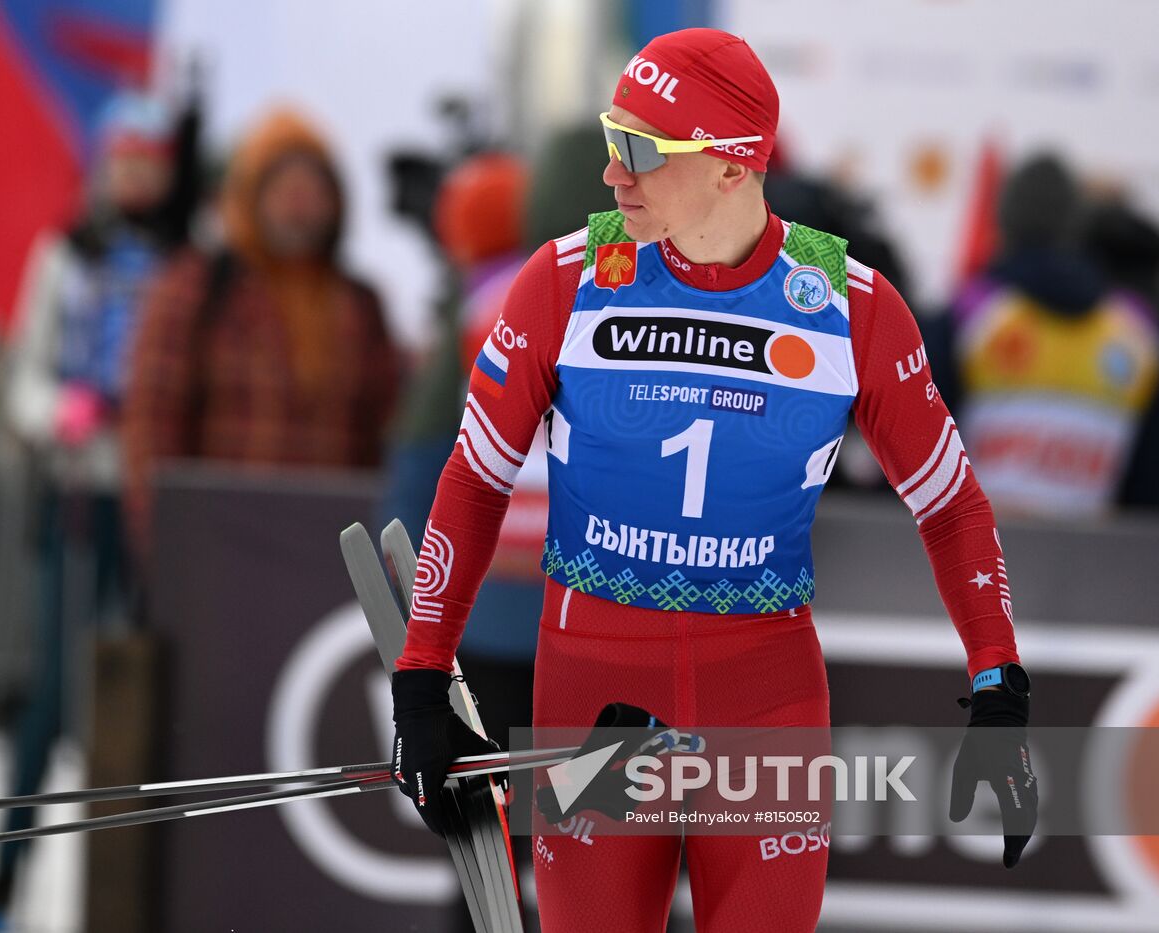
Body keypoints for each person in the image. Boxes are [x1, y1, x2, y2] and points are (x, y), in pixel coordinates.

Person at [386, 28, 1033, 932]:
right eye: (613, 139)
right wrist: (421, 676)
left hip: (763, 702)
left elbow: (950, 501)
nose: (614, 174)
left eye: (642, 150)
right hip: (594, 700)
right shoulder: (570, 278)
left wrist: (1001, 682)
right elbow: (474, 476)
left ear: (734, 167)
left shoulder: (848, 303)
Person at [0, 91, 187, 931]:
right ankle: (4, 884)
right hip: (77, 490)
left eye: (149, 161)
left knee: (142, 695)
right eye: (124, 159)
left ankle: (123, 898)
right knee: (55, 697)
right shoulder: (65, 253)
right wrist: (50, 411)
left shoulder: (183, 258)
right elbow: (23, 373)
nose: (135, 174)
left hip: (152, 499)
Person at [122, 108, 401, 558]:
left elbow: (389, 436)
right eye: (284, 190)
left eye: (313, 190)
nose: (299, 205)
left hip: (326, 557)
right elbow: (151, 425)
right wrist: (164, 544)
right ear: (251, 196)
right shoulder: (195, 288)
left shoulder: (360, 305)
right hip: (219, 552)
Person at [948, 155, 1159, 518]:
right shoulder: (1135, 332)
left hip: (968, 561)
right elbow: (1146, 491)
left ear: (1004, 222)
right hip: (1091, 563)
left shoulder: (969, 313)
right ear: (1075, 227)